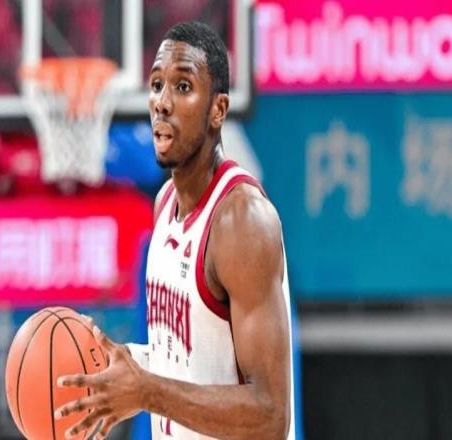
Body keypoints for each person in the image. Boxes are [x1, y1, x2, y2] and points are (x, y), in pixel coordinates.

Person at [54, 21, 296, 440]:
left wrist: (147, 392)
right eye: (156, 85)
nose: (162, 103)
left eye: (183, 87)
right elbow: (186, 360)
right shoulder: (165, 204)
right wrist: (125, 366)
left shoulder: (242, 221)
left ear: (218, 109)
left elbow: (271, 415)